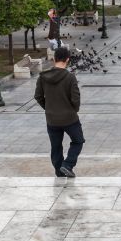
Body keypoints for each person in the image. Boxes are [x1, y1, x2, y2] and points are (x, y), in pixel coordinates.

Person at [34, 46, 84, 178]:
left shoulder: (43, 77)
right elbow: (76, 99)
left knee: (56, 147)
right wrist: (74, 110)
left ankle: (59, 173)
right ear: (67, 60)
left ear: (54, 59)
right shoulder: (70, 77)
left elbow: (38, 96)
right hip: (70, 118)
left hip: (52, 119)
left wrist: (49, 108)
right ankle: (67, 165)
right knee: (78, 141)